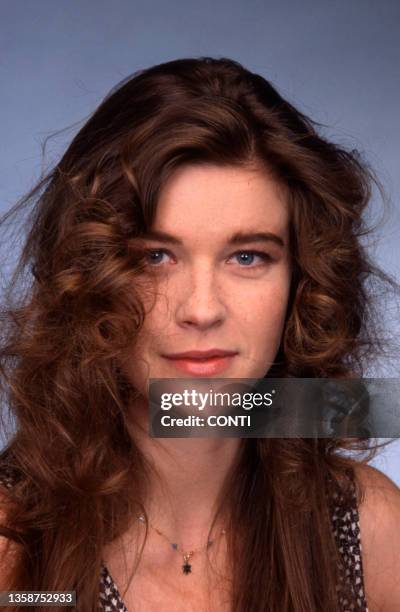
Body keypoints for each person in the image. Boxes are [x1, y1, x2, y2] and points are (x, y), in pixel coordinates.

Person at [0, 56, 399, 612]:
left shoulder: (367, 526)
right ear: (87, 275)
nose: (202, 309)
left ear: (302, 282)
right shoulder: (15, 551)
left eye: (247, 256)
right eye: (156, 256)